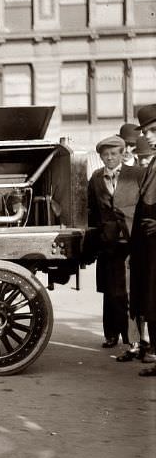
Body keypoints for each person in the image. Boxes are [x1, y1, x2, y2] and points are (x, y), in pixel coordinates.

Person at [87, 135, 144, 350]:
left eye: (113, 154)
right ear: (100, 157)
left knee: (131, 292)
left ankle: (136, 341)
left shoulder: (136, 174)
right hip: (109, 244)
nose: (109, 158)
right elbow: (92, 210)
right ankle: (120, 337)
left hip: (132, 241)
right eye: (105, 155)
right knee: (113, 293)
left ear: (122, 154)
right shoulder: (95, 178)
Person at [130, 104, 156, 375]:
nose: (148, 137)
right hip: (148, 244)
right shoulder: (153, 162)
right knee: (150, 300)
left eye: (153, 130)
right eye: (147, 131)